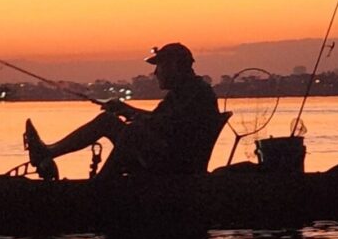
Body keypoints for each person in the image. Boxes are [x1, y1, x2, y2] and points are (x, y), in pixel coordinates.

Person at [23, 43, 224, 180]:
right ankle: (48, 152)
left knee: (133, 132)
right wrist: (125, 110)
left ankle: (100, 186)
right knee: (107, 121)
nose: (155, 73)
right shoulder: (180, 93)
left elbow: (168, 126)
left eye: (160, 66)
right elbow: (157, 120)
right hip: (163, 158)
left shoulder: (196, 93)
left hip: (177, 169)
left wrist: (130, 112)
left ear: (175, 66)